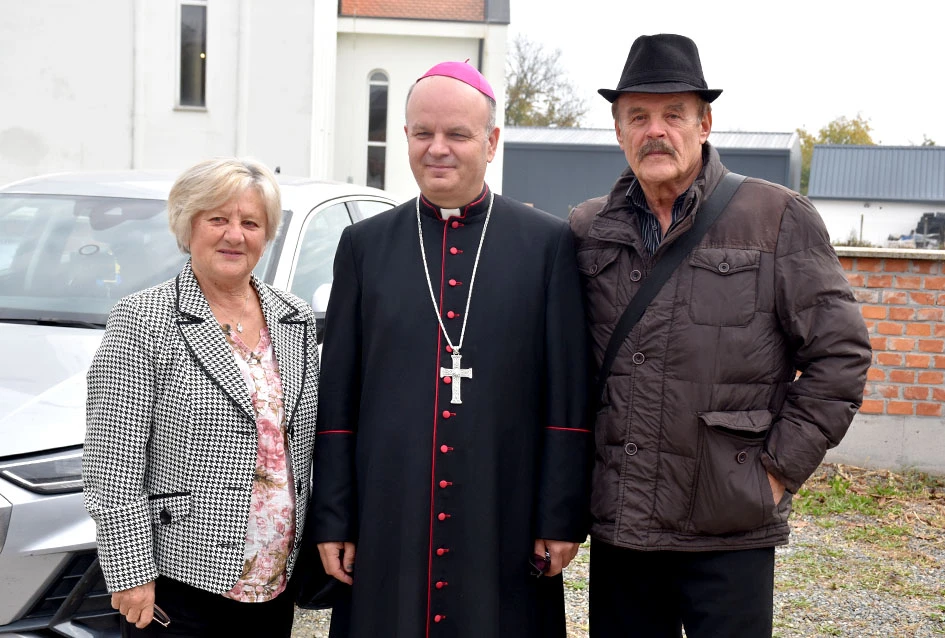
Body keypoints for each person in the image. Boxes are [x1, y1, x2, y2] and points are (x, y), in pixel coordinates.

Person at [568, 34, 872, 638]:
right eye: (638, 117)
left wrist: (776, 470)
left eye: (674, 114)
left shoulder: (776, 218)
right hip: (625, 529)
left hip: (729, 528)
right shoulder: (586, 231)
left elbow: (841, 354)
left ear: (705, 123)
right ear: (619, 130)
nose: (657, 131)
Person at [308, 61, 591, 638]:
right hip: (390, 505)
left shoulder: (547, 245)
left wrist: (558, 516)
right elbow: (337, 398)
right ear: (406, 137)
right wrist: (334, 516)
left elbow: (569, 395)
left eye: (457, 134)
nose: (437, 148)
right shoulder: (364, 246)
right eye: (422, 133)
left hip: (503, 505)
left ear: (490, 143)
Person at [83, 157, 319, 636]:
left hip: (272, 580)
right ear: (187, 226)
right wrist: (130, 574)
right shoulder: (143, 320)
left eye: (251, 222)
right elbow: (111, 464)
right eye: (218, 219)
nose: (235, 235)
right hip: (182, 580)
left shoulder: (293, 318)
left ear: (266, 234)